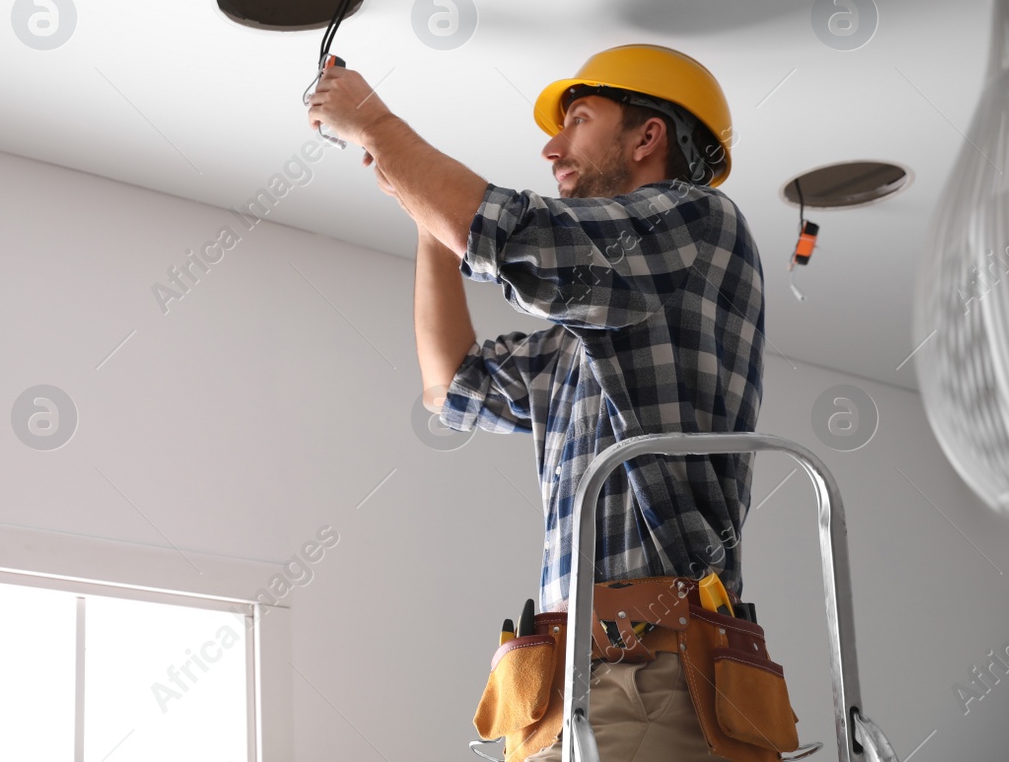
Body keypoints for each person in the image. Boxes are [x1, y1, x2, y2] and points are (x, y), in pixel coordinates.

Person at [307, 44, 765, 761]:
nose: (552, 147)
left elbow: (510, 234)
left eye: (578, 119)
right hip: (560, 685)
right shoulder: (584, 337)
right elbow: (450, 383)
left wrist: (374, 123)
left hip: (655, 671)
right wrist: (424, 217)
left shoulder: (699, 221)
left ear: (649, 137)